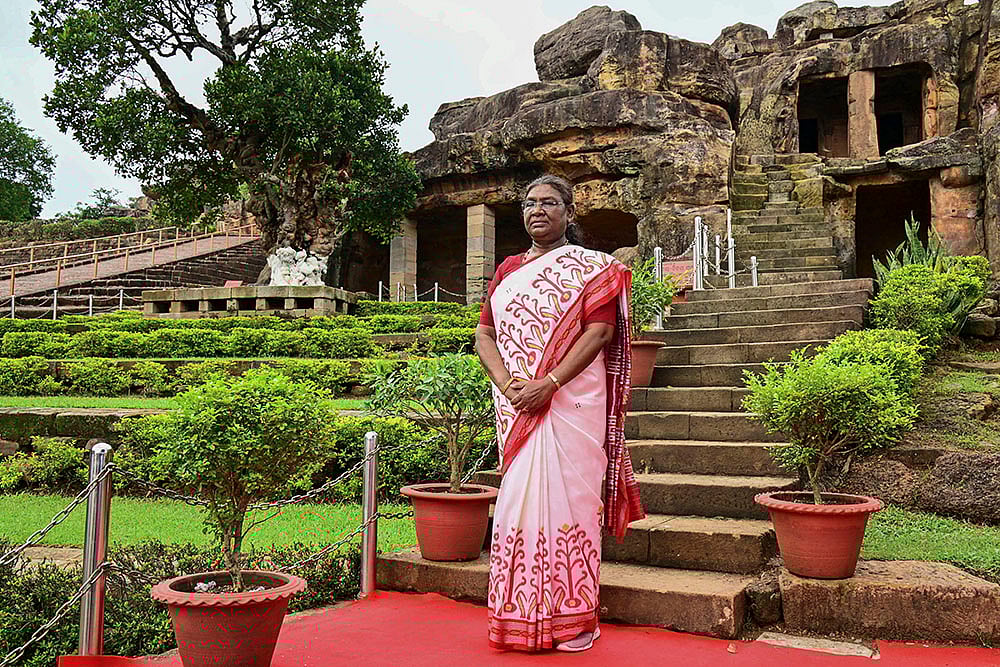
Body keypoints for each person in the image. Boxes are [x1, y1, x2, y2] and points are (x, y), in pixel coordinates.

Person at [475, 174, 644, 653]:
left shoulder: (594, 268)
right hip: (517, 410)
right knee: (515, 510)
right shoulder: (507, 270)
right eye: (529, 203)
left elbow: (598, 334)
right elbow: (483, 336)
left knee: (571, 507)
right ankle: (517, 619)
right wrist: (511, 386)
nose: (537, 210)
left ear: (570, 214)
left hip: (571, 408)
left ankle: (571, 623)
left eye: (549, 203)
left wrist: (548, 384)